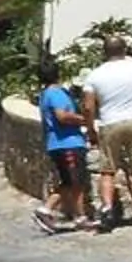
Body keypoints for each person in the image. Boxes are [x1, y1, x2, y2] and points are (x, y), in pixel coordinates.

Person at [85, 32, 132, 228]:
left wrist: (91, 129)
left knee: (107, 170)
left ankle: (106, 208)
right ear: (124, 49)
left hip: (110, 122)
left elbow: (88, 107)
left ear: (104, 52)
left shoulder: (95, 75)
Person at [35, 61, 91, 232]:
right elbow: (62, 116)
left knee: (68, 181)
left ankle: (47, 210)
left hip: (57, 143)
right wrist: (84, 120)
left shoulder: (45, 95)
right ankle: (78, 216)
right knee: (76, 181)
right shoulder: (56, 94)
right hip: (68, 142)